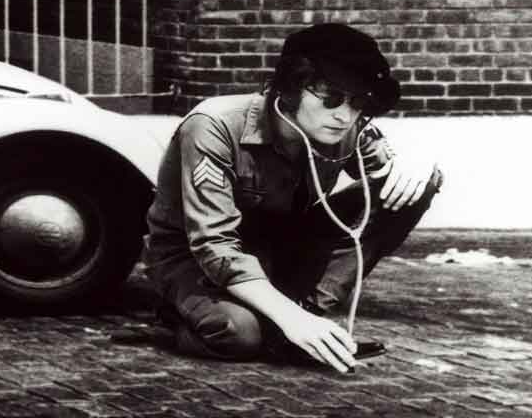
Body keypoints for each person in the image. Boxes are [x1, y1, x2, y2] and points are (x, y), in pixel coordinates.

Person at [142, 23, 442, 373]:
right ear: (291, 87)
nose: (344, 116)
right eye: (331, 98)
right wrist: (290, 319)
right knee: (240, 336)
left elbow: (390, 168)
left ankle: (305, 313)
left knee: (415, 186)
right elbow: (214, 245)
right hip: (194, 256)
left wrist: (417, 162)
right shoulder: (214, 124)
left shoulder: (347, 126)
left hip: (277, 245)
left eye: (358, 103)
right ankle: (179, 317)